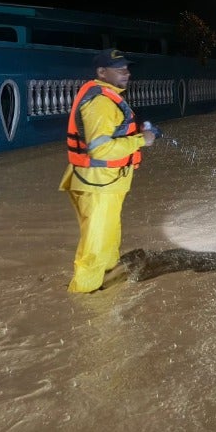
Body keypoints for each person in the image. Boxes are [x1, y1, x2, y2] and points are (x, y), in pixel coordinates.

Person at [59, 48, 161, 293]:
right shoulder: (101, 102)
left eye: (127, 68)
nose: (126, 73)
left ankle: (108, 279)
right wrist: (141, 140)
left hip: (105, 183)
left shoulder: (107, 96)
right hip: (98, 184)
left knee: (107, 237)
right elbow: (101, 150)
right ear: (101, 72)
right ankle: (85, 297)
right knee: (94, 247)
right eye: (119, 69)